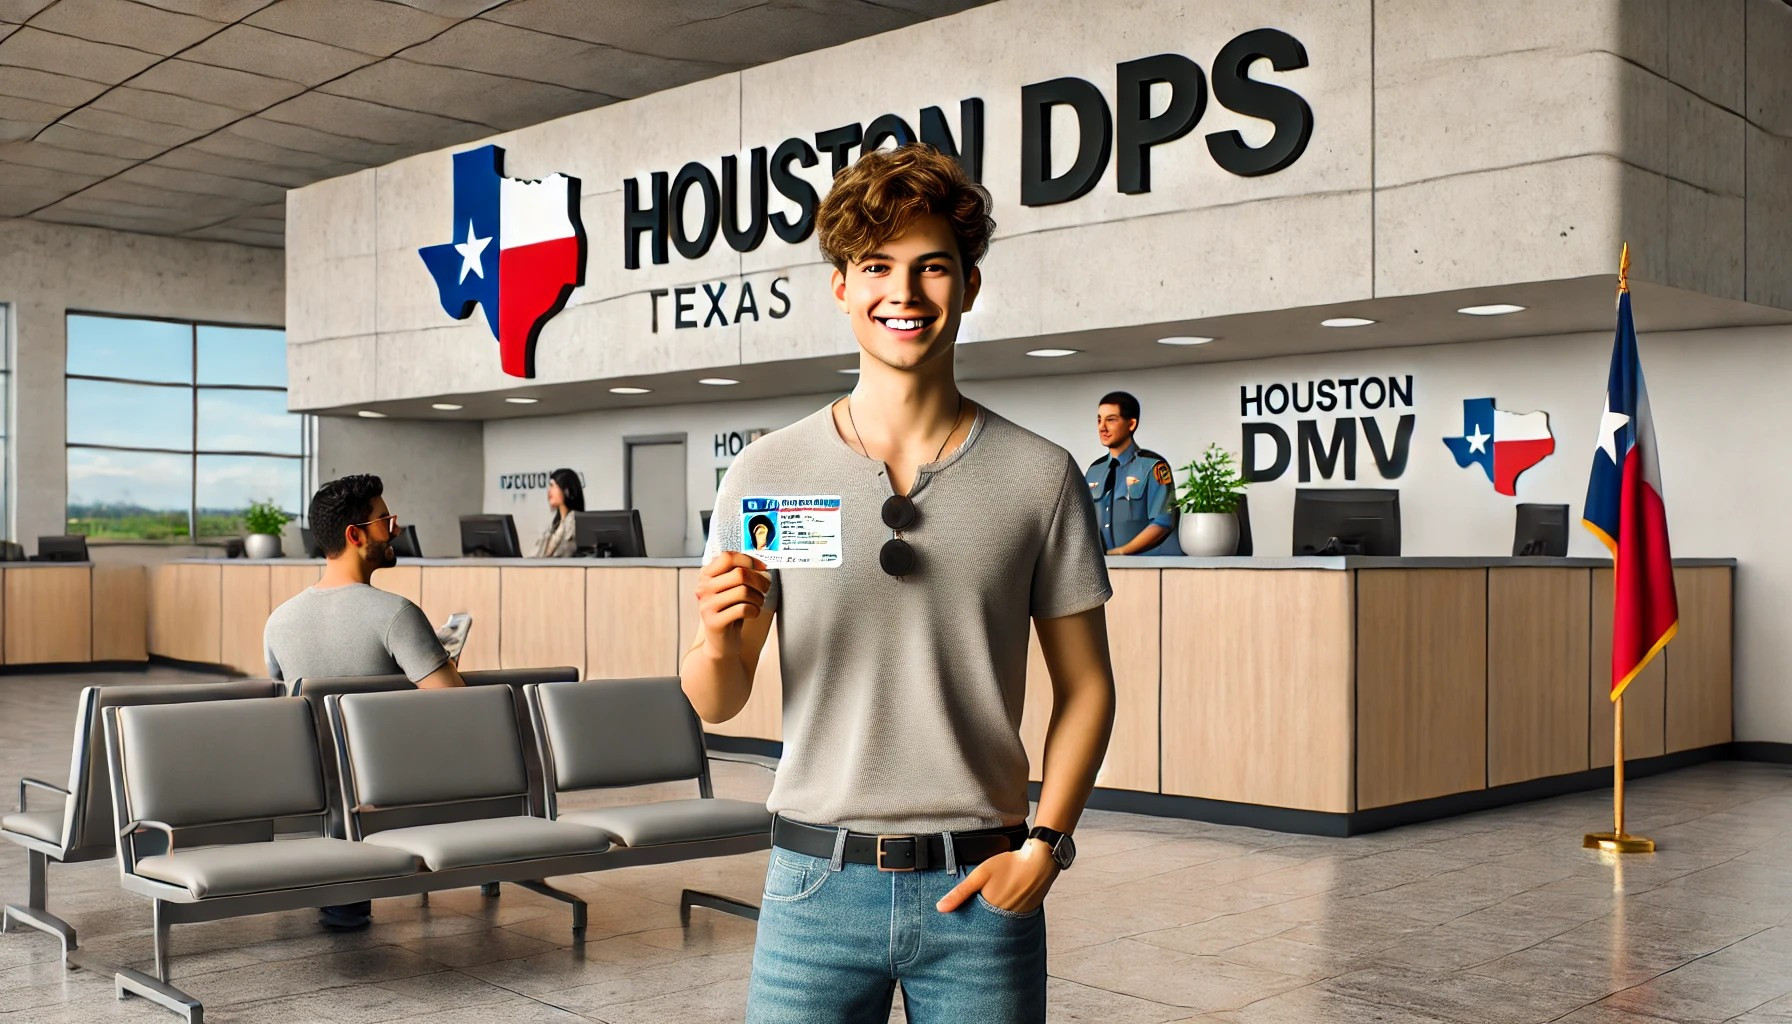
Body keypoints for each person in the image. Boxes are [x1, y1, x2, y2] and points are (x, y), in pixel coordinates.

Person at [682, 143, 1116, 1023]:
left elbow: (1087, 688)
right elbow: (717, 700)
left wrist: (1046, 846)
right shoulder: (770, 470)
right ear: (841, 285)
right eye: (876, 267)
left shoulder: (1042, 475)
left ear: (971, 282)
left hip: (981, 888)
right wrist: (720, 640)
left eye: (932, 269)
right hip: (811, 887)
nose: (904, 295)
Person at [263, 473, 465, 931]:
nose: (394, 530)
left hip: (313, 788)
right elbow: (460, 708)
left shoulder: (278, 621)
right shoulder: (395, 613)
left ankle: (343, 888)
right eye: (384, 520)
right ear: (355, 535)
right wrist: (441, 662)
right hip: (392, 786)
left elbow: (283, 705)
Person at [1087, 391, 1183, 555]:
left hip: (1147, 568)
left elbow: (1163, 522)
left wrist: (1121, 552)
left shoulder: (1153, 466)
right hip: (1105, 568)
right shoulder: (1094, 471)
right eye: (1099, 420)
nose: (1102, 427)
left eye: (1111, 420)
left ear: (1131, 424)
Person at [530, 468, 585, 557]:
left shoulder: (574, 524)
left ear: (566, 490)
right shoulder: (554, 525)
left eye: (552, 485)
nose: (549, 491)